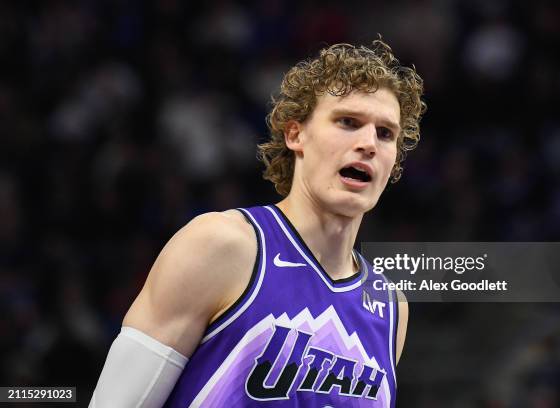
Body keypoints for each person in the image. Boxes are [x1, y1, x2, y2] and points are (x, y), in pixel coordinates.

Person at [90, 38, 425, 407]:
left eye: (385, 133)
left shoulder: (391, 305)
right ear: (295, 134)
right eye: (348, 122)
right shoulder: (223, 245)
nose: (368, 144)